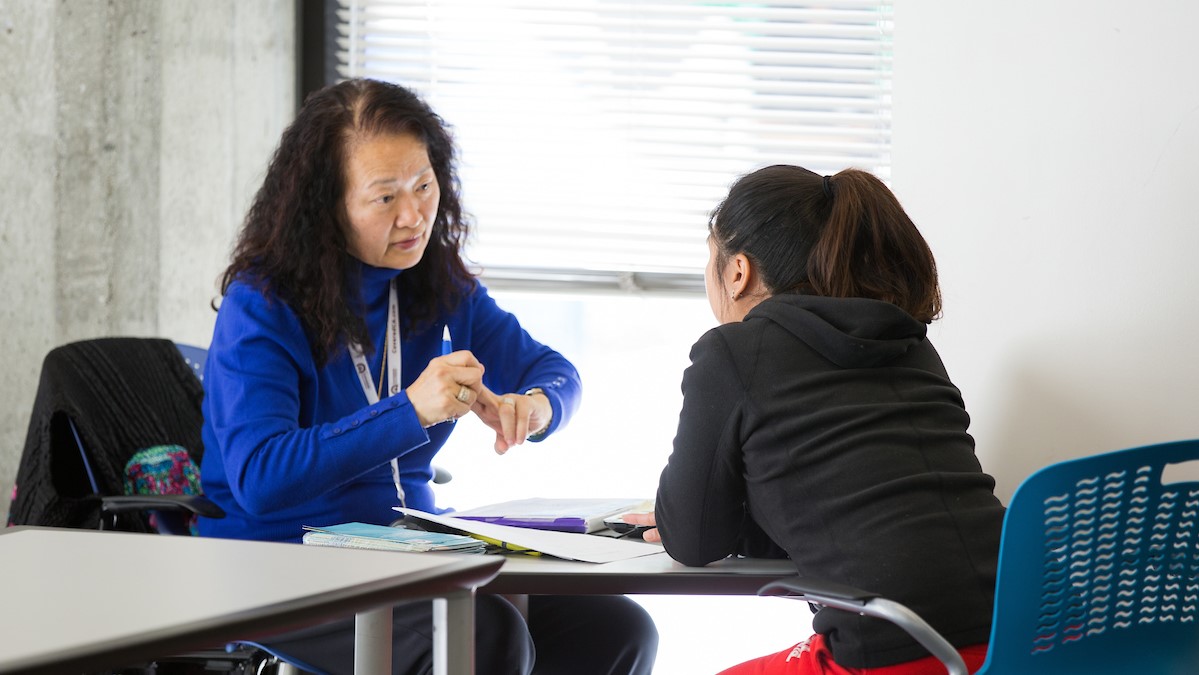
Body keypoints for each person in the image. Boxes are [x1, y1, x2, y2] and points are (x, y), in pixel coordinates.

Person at [197, 77, 657, 675]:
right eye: (385, 198)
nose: (414, 216)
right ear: (326, 207)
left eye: (424, 185)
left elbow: (556, 372)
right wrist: (410, 411)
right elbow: (261, 478)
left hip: (408, 547)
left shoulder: (434, 284)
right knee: (482, 637)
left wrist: (538, 406)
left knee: (617, 630)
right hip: (280, 561)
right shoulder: (262, 303)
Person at [624, 165, 1004, 674]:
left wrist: (686, 519)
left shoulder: (732, 353)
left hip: (903, 649)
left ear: (737, 272)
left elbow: (692, 541)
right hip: (1035, 635)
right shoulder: (908, 342)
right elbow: (855, 504)